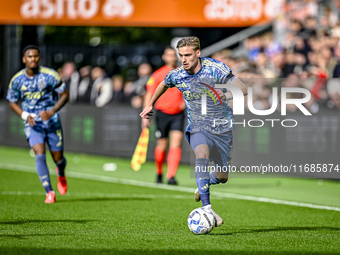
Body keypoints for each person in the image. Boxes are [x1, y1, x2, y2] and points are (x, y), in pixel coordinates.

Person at [140, 37, 247, 227]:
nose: (183, 59)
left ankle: (202, 185)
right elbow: (163, 83)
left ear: (198, 53)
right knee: (201, 156)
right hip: (198, 126)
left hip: (222, 128)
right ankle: (207, 208)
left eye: (187, 55)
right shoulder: (178, 74)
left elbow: (243, 88)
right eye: (181, 55)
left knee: (222, 177)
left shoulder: (215, 68)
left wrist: (228, 93)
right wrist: (150, 104)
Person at [6, 45, 69, 204]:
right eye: (29, 57)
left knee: (58, 158)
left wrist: (52, 110)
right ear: (24, 59)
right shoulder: (17, 80)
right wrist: (24, 115)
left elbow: (65, 95)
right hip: (33, 124)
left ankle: (60, 172)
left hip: (52, 122)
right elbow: (12, 101)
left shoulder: (50, 75)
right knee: (39, 154)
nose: (32, 59)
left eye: (35, 56)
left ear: (39, 58)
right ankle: (49, 191)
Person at [142, 46, 185, 185]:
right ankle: (159, 172)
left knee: (176, 142)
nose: (172, 58)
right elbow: (149, 93)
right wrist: (146, 113)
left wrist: (185, 102)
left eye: (174, 55)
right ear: (164, 57)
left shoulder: (183, 73)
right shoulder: (157, 74)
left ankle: (171, 175)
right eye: (169, 55)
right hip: (162, 113)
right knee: (162, 144)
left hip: (177, 113)